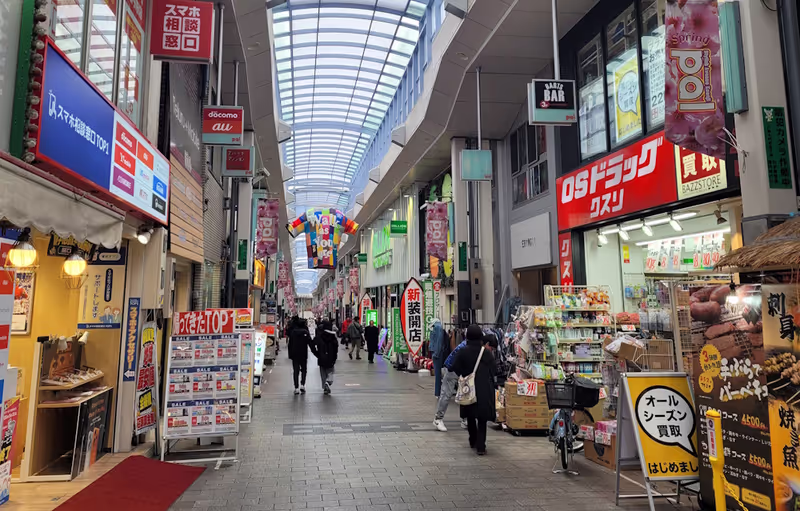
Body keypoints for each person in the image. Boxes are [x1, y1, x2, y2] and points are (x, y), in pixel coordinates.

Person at [449, 325, 496, 455]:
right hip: (483, 389)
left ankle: (472, 439)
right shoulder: (485, 353)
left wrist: (464, 374)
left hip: (467, 389)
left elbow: (454, 367)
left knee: (470, 415)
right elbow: (494, 369)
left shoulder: (462, 351)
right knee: (482, 419)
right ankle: (481, 446)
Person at [433, 332, 468, 432]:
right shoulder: (465, 347)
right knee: (446, 395)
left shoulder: (466, 345)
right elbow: (453, 361)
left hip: (458, 372)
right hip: (452, 371)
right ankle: (438, 419)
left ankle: (465, 419)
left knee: (465, 394)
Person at [310, 320, 338, 394]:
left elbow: (312, 344)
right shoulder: (333, 337)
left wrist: (317, 354)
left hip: (321, 358)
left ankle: (325, 388)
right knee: (330, 373)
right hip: (331, 358)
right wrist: (335, 357)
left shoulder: (319, 336)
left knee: (323, 375)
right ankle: (328, 383)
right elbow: (336, 349)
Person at [287, 318, 312, 394]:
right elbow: (310, 343)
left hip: (295, 354)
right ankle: (302, 385)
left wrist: (290, 355)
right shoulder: (306, 332)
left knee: (296, 371)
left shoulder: (293, 333)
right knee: (304, 370)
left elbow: (290, 345)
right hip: (303, 354)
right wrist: (316, 353)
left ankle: (296, 387)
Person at [428, 319, 447, 397]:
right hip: (436, 352)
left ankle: (438, 392)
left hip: (436, 353)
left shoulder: (437, 327)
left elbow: (439, 341)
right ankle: (438, 392)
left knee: (438, 373)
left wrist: (436, 353)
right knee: (438, 373)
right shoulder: (437, 326)